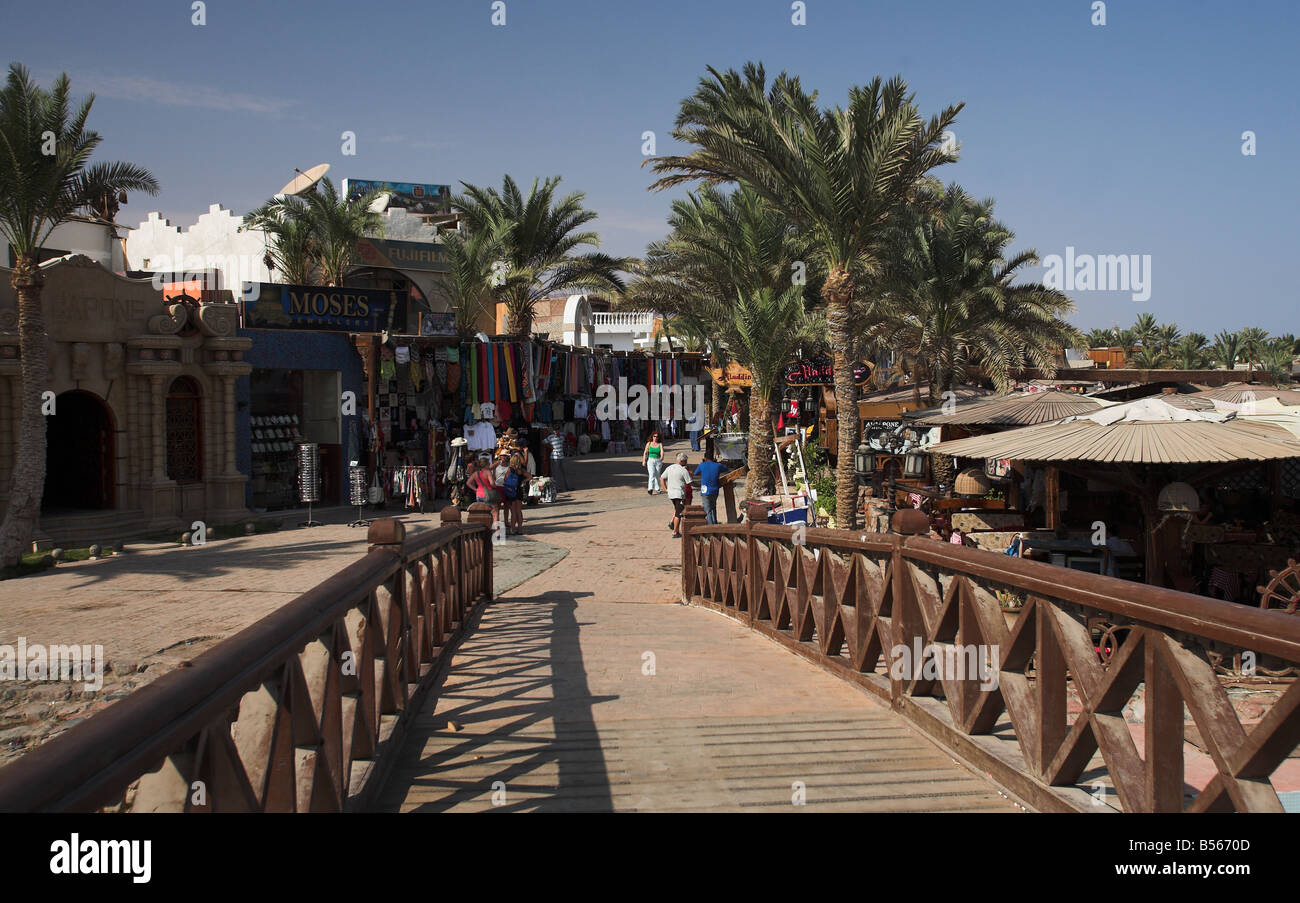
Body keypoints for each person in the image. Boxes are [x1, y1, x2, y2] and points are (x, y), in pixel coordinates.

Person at [660, 451, 692, 537]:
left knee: (677, 509)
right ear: (682, 461)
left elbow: (662, 478)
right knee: (679, 513)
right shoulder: (683, 470)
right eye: (685, 461)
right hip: (679, 494)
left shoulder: (670, 467)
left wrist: (666, 489)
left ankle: (673, 525)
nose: (686, 463)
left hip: (671, 494)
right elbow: (690, 482)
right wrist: (700, 485)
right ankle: (675, 531)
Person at [693, 450, 726, 525]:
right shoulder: (718, 465)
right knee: (713, 507)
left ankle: (711, 527)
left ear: (704, 458)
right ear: (713, 457)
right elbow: (725, 468)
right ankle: (715, 523)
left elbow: (695, 473)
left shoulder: (702, 465)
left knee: (707, 510)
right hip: (715, 490)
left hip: (705, 490)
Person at [502, 453, 529, 534]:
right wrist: (523, 481)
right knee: (519, 511)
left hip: (511, 491)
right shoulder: (521, 470)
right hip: (519, 491)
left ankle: (512, 529)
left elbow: (505, 479)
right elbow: (530, 477)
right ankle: (520, 529)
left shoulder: (510, 470)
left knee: (513, 512)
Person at [643, 430, 665, 495]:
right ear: (652, 437)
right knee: (652, 474)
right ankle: (650, 489)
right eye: (654, 436)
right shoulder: (649, 443)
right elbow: (645, 452)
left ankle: (657, 489)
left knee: (657, 475)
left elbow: (662, 452)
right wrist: (644, 460)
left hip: (658, 460)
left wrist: (661, 457)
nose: (655, 437)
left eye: (657, 437)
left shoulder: (660, 444)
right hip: (650, 460)